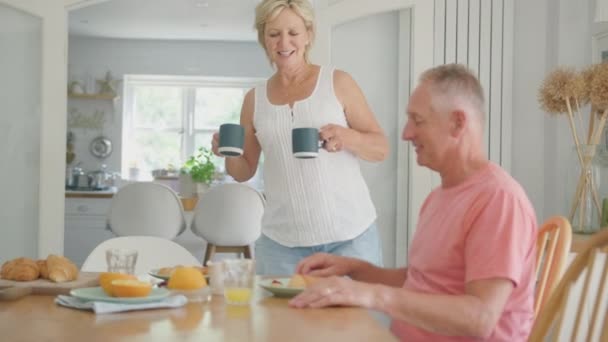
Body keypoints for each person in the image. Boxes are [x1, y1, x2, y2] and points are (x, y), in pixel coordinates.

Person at [289, 64, 538, 341]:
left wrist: (373, 295)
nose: (406, 134)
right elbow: (424, 281)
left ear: (457, 123)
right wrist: (355, 269)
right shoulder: (439, 197)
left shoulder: (498, 200)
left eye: (417, 120)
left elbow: (479, 318)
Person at [210, 0, 389, 275]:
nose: (284, 42)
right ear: (264, 39)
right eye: (274, 34)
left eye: (293, 32)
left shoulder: (338, 82)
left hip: (350, 238)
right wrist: (228, 154)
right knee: (281, 320)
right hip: (281, 245)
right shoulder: (254, 99)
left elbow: (380, 149)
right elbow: (244, 171)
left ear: (308, 34)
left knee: (356, 320)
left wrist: (347, 137)